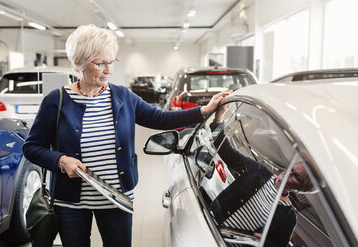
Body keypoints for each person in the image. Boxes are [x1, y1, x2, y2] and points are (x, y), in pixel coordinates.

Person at [22, 24, 230, 247]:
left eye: (111, 62)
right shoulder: (56, 100)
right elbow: (32, 147)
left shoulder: (123, 97)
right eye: (101, 63)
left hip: (116, 197)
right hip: (71, 203)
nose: (108, 70)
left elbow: (161, 119)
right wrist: (61, 160)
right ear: (80, 62)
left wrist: (204, 111)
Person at [209, 106, 312, 247]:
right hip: (207, 226)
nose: (287, 173)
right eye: (291, 169)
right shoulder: (258, 171)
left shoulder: (288, 219)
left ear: (301, 189)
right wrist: (217, 120)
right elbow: (224, 150)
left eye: (296, 176)